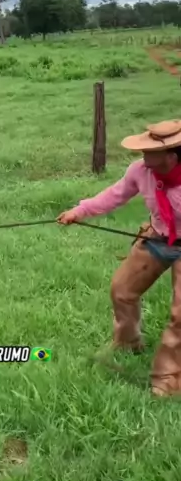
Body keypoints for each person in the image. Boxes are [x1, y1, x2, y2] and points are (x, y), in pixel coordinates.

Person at [57, 119, 181, 397]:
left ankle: (170, 378)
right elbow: (115, 195)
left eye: (151, 152)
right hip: (158, 237)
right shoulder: (140, 171)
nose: (144, 156)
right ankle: (127, 343)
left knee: (179, 315)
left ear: (172, 156)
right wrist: (80, 211)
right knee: (122, 290)